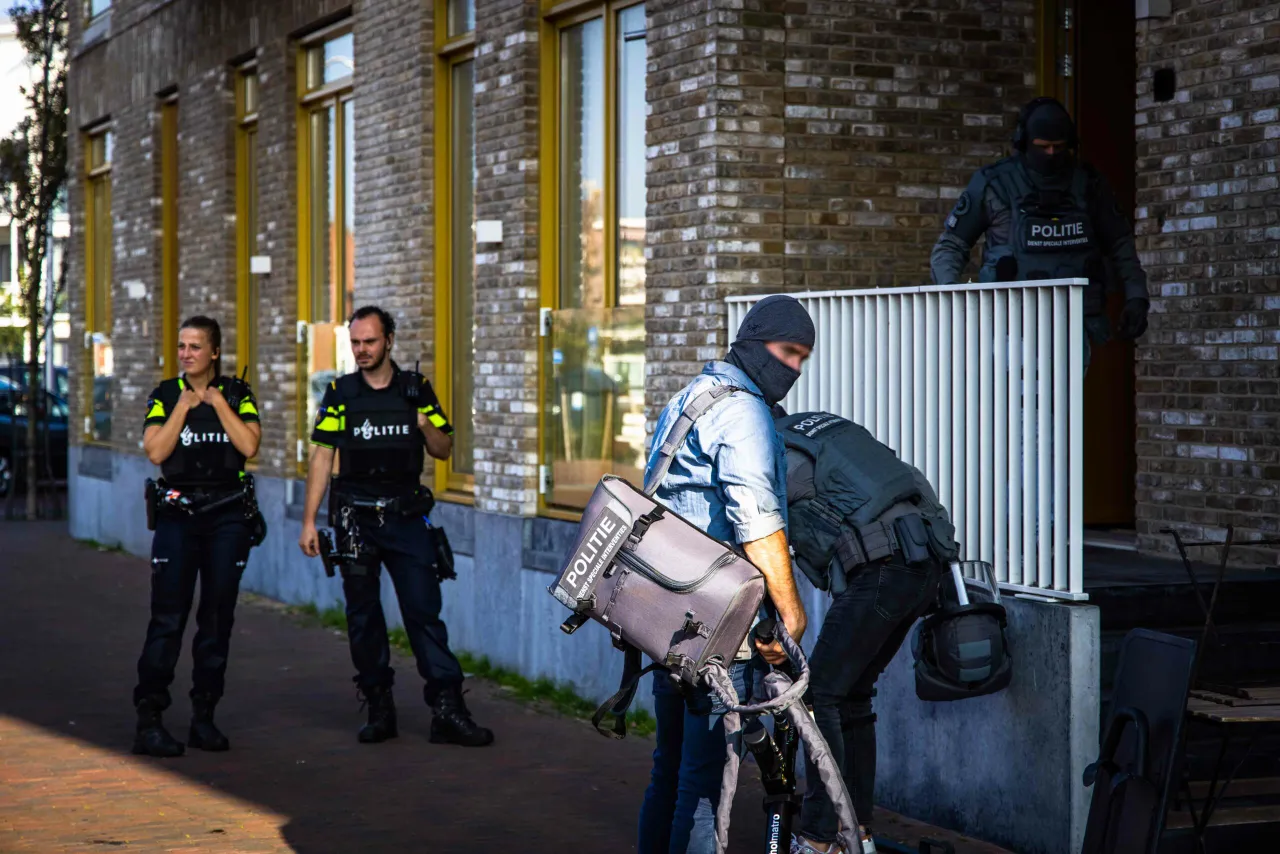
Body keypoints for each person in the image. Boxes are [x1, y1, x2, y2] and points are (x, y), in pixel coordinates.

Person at [637, 294, 813, 854]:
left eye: (804, 358)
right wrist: (790, 614)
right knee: (708, 783)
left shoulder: (692, 396)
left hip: (666, 616)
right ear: (756, 340)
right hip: (719, 628)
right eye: (789, 352)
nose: (795, 369)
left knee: (669, 769)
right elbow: (757, 522)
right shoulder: (743, 410)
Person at [297, 305, 492, 748]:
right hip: (355, 521)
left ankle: (447, 709)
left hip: (406, 519)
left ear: (389, 341)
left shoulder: (415, 388)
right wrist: (309, 520)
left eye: (370, 341)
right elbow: (322, 455)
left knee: (424, 612)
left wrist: (423, 422)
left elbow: (444, 449)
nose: (362, 350)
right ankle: (379, 706)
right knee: (363, 617)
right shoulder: (340, 393)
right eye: (356, 343)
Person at [770, 409, 960, 854]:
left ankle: (818, 837)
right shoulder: (831, 433)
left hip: (882, 570)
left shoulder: (777, 454)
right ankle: (857, 832)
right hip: (921, 565)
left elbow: (761, 533)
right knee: (852, 695)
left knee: (820, 695)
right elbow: (913, 480)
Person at [929, 96, 1150, 372]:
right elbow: (950, 246)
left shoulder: (1088, 185)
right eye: (1042, 147)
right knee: (1013, 411)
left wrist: (1137, 296)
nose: (1050, 154)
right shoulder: (995, 185)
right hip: (1007, 326)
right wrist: (952, 299)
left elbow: (1120, 244)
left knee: (1062, 411)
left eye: (1058, 148)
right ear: (1024, 142)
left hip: (1072, 325)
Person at [133, 315, 262, 757]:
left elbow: (249, 446)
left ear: (214, 352)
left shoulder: (239, 394)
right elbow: (155, 451)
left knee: (217, 618)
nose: (185, 353)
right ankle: (149, 720)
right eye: (181, 346)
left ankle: (203, 717)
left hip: (227, 518)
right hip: (178, 518)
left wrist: (217, 403)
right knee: (167, 619)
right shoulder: (165, 395)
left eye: (194, 346)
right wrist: (185, 408)